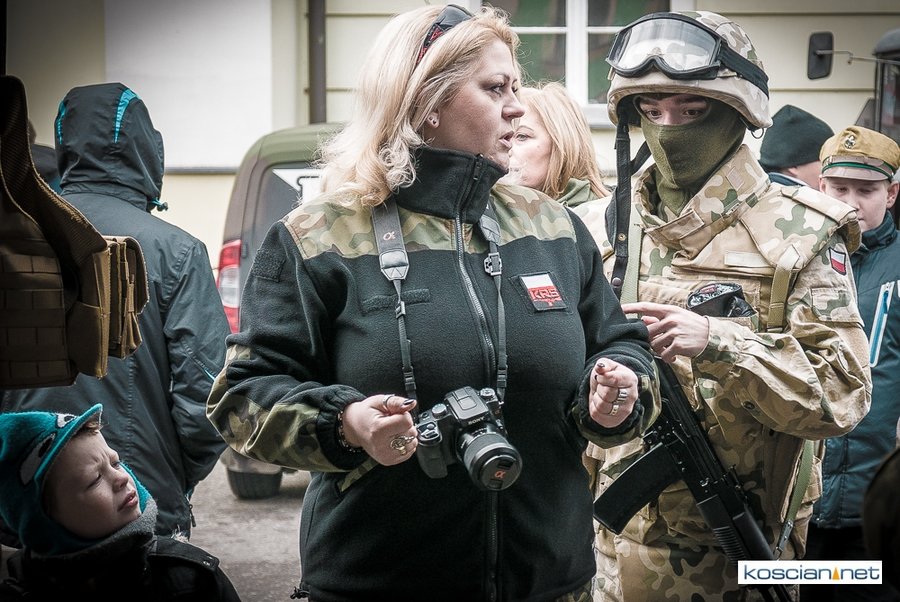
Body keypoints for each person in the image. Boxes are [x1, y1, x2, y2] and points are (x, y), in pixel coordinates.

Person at [206, 4, 660, 601]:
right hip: (377, 585)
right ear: (427, 101)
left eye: (515, 87)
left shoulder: (552, 228)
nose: (517, 107)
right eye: (495, 89)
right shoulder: (318, 238)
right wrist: (345, 425)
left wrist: (619, 394)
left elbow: (621, 346)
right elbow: (241, 397)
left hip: (551, 584)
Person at [578, 10, 872, 601]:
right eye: (651, 110)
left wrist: (721, 344)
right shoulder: (597, 228)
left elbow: (842, 396)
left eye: (691, 110)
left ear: (738, 112)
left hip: (742, 554)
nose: (668, 128)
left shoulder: (803, 232)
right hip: (604, 551)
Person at [1, 82, 230, 539]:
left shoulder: (16, 238)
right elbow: (210, 393)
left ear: (65, 146)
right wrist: (171, 473)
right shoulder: (178, 250)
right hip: (135, 499)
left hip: (23, 503)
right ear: (147, 151)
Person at [800, 125, 900, 602]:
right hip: (800, 495)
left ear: (892, 193)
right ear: (821, 186)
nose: (852, 203)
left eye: (867, 190)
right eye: (840, 188)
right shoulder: (794, 260)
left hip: (875, 499)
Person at [0, 404, 242, 600]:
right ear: (44, 520)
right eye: (95, 480)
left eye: (115, 463)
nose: (121, 478)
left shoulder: (191, 581)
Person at [504, 81, 610, 205]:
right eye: (504, 137)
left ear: (563, 145)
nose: (507, 147)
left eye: (522, 136)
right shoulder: (494, 208)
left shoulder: (601, 214)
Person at [759, 104, 834, 187]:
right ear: (793, 166)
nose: (834, 169)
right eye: (827, 161)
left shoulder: (758, 188)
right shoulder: (804, 194)